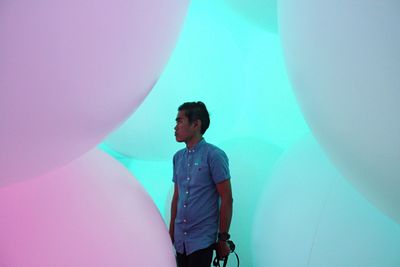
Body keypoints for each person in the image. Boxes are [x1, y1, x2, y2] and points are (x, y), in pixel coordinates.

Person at [169, 101, 233, 267]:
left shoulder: (214, 156)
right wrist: (170, 235)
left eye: (179, 121)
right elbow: (177, 197)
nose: (175, 127)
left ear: (196, 124)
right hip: (179, 241)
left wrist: (222, 238)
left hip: (201, 242)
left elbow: (227, 198)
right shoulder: (178, 158)